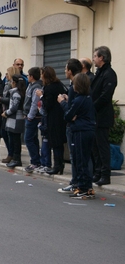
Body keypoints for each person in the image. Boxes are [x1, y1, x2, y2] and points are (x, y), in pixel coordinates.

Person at [58, 73, 96, 199]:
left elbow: (68, 116)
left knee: (80, 160)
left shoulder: (79, 100)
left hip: (80, 131)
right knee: (84, 159)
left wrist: (63, 103)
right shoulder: (87, 98)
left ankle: (82, 188)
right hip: (88, 130)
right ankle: (88, 187)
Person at [90, 46, 117, 186]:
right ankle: (98, 171)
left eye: (95, 56)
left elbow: (105, 96)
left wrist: (92, 106)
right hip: (95, 116)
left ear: (101, 58)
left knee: (102, 146)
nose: (94, 58)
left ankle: (105, 175)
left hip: (102, 116)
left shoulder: (109, 74)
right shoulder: (99, 73)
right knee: (95, 146)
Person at [57, 58, 83, 193]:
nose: (64, 71)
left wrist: (62, 101)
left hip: (73, 126)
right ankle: (79, 183)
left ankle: (76, 183)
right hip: (80, 126)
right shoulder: (79, 87)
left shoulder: (74, 88)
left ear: (70, 71)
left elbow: (71, 112)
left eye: (66, 69)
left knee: (75, 156)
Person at [36, 66, 67, 175]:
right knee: (58, 143)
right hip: (60, 117)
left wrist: (41, 96)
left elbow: (48, 104)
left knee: (55, 142)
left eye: (41, 74)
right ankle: (59, 165)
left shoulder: (49, 88)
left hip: (54, 118)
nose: (40, 76)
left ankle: (57, 165)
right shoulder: (59, 85)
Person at [0, 74, 26, 168]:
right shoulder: (19, 92)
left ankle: (16, 159)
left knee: (15, 140)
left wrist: (6, 113)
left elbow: (14, 107)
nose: (10, 83)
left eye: (11, 82)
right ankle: (15, 158)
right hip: (16, 119)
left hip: (15, 119)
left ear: (14, 83)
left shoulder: (16, 93)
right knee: (14, 139)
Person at [23, 67, 43, 172]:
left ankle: (35, 161)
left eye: (28, 75)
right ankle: (36, 160)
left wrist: (30, 116)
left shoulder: (36, 87)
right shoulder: (31, 85)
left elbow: (35, 104)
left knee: (28, 139)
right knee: (33, 138)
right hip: (29, 116)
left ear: (31, 76)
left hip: (33, 117)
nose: (27, 77)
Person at [0, 66, 20, 163]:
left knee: (9, 134)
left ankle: (11, 154)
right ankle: (11, 154)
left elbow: (11, 100)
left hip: (9, 113)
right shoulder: (7, 83)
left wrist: (1, 99)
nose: (6, 75)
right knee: (5, 133)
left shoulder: (12, 87)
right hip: (6, 111)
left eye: (7, 73)